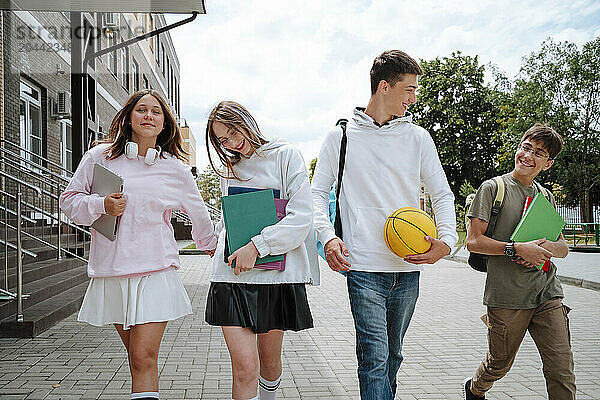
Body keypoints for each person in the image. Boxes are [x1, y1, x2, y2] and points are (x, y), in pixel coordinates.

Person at [311, 50, 458, 400]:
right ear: (384, 87)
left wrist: (447, 240)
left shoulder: (418, 138)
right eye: (408, 89)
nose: (413, 98)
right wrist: (329, 238)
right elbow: (316, 194)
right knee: (373, 358)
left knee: (393, 356)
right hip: (362, 266)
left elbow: (442, 193)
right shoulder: (341, 137)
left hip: (408, 266)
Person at [60, 89, 217, 400]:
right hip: (113, 271)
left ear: (164, 124)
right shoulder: (98, 157)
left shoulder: (175, 168)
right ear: (129, 118)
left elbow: (198, 212)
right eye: (142, 110)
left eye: (156, 112)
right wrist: (101, 204)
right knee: (136, 360)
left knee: (144, 357)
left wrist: (211, 243)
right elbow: (69, 203)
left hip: (156, 270)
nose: (148, 116)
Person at [204, 101, 319, 400]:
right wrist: (217, 241)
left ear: (246, 119)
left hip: (274, 279)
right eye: (223, 140)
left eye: (232, 131)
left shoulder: (286, 155)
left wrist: (257, 246)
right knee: (245, 368)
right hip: (232, 278)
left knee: (269, 365)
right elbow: (227, 217)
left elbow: (302, 217)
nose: (231, 142)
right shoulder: (230, 169)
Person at [463, 124, 575, 400]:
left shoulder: (545, 196)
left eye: (538, 153)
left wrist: (547, 247)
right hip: (507, 296)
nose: (528, 156)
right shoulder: (493, 188)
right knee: (499, 363)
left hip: (547, 292)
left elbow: (563, 248)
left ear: (547, 164)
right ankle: (476, 388)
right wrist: (517, 249)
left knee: (561, 369)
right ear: (518, 147)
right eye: (526, 147)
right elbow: (473, 241)